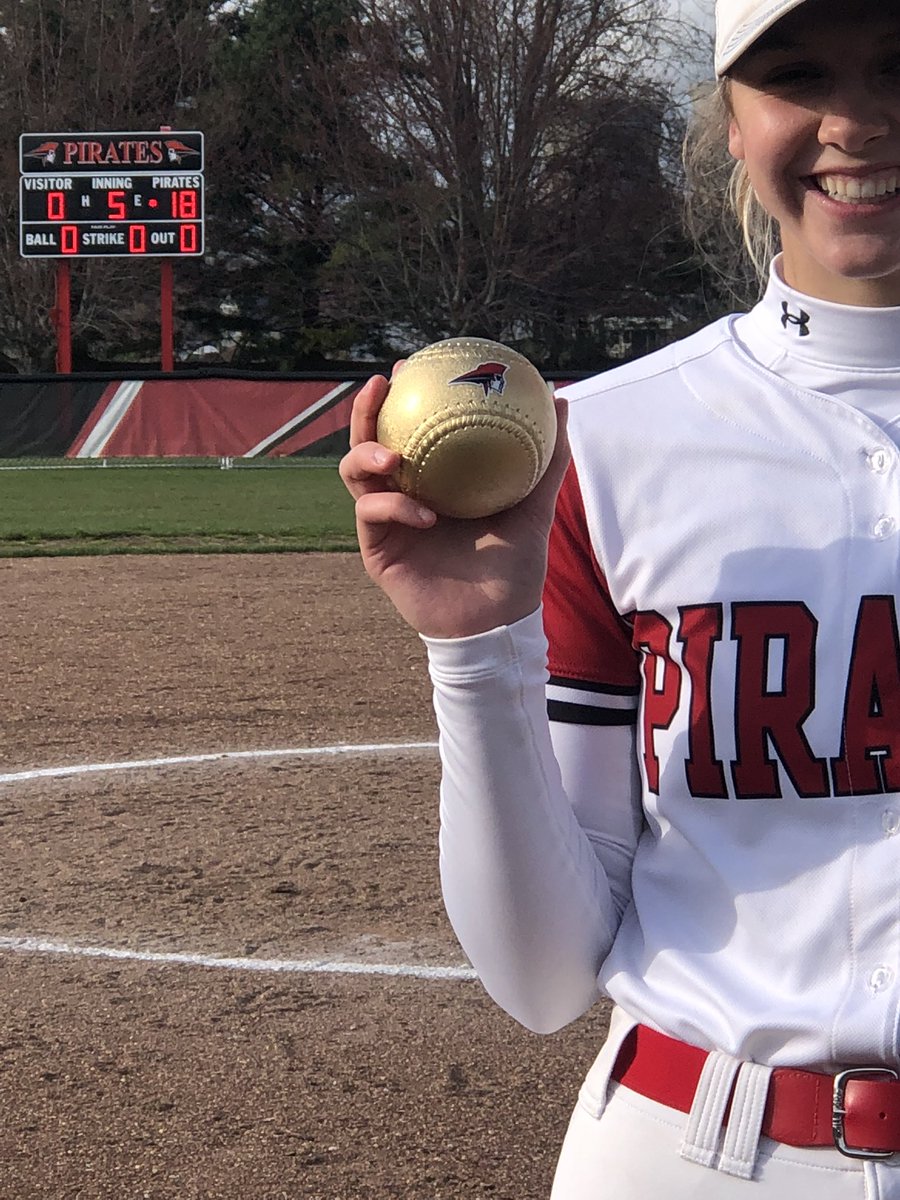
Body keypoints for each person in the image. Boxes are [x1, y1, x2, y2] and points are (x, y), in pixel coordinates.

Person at [340, 0, 900, 1192]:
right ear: (733, 124)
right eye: (796, 73)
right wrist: (476, 648)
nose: (856, 120)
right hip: (693, 1154)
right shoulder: (608, 443)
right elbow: (544, 978)